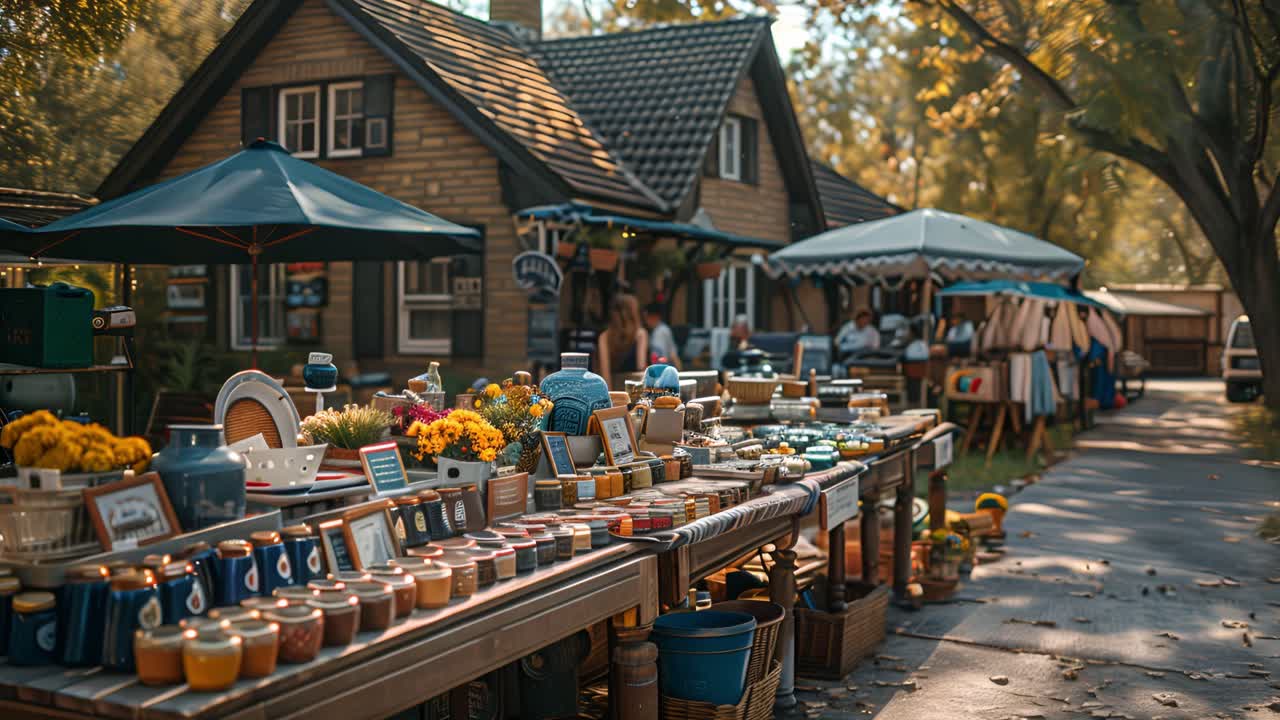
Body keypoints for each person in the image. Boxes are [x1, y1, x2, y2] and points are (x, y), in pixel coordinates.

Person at [597, 293, 648, 387]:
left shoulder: (604, 337)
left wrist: (610, 397)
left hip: (614, 389)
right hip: (634, 390)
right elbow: (641, 367)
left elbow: (605, 373)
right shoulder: (640, 334)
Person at [643, 302, 681, 368]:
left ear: (655, 316)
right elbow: (673, 355)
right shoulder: (664, 329)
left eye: (646, 317)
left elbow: (658, 358)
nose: (645, 321)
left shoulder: (659, 332)